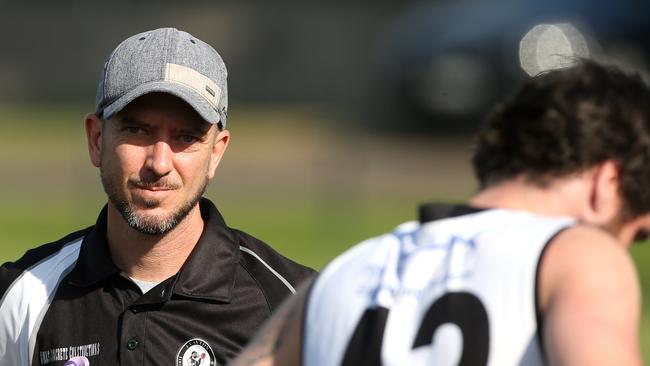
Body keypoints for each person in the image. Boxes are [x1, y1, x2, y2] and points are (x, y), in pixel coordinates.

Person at [232, 60, 650, 366]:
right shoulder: (577, 257)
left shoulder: (337, 278)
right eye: (635, 234)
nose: (625, 249)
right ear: (607, 184)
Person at [0, 27, 314, 366]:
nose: (159, 164)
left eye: (186, 137)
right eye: (137, 131)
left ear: (216, 153)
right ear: (96, 139)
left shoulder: (298, 307)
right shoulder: (21, 297)